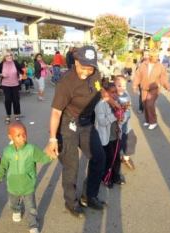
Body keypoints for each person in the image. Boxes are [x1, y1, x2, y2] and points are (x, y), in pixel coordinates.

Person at [45, 46, 118, 217]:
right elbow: (56, 112)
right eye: (83, 66)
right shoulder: (66, 82)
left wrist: (113, 103)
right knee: (72, 167)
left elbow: (99, 91)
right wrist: (52, 139)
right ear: (76, 61)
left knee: (99, 158)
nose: (86, 71)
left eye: (90, 67)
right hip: (67, 125)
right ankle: (71, 202)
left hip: (86, 124)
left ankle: (89, 196)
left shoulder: (96, 74)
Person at [0, 122, 54, 233]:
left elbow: (43, 158)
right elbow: (3, 165)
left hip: (28, 185)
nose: (22, 137)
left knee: (31, 207)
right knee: (12, 203)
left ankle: (33, 225)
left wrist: (51, 155)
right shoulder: (7, 151)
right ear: (10, 137)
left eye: (24, 134)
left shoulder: (31, 149)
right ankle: (16, 210)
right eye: (18, 135)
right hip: (13, 185)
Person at [95, 82, 124, 188]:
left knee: (117, 157)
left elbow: (122, 119)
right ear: (105, 93)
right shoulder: (100, 105)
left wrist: (121, 116)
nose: (115, 94)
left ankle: (116, 176)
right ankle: (107, 177)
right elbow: (102, 122)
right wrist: (115, 116)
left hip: (116, 135)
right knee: (108, 158)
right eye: (112, 92)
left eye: (116, 92)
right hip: (106, 137)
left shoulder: (118, 102)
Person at [133, 49, 170, 130]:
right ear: (150, 57)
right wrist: (135, 86)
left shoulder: (160, 66)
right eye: (155, 56)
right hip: (144, 88)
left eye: (157, 56)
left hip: (154, 89)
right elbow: (137, 75)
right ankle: (147, 120)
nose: (157, 58)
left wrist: (167, 85)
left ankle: (153, 122)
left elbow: (163, 77)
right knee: (144, 104)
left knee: (149, 104)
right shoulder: (143, 64)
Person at [115, 75, 136, 170]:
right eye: (119, 86)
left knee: (131, 139)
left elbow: (128, 108)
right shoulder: (112, 96)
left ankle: (126, 157)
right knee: (116, 144)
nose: (122, 88)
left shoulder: (126, 94)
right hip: (116, 126)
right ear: (114, 85)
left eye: (124, 86)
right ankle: (116, 159)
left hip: (126, 124)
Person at [0, 50, 23, 124]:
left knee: (16, 100)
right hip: (6, 84)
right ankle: (8, 116)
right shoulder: (1, 64)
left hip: (15, 84)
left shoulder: (15, 62)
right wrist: (2, 75)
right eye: (7, 55)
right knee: (8, 100)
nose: (9, 57)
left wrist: (20, 75)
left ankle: (17, 115)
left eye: (10, 55)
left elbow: (21, 71)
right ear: (4, 57)